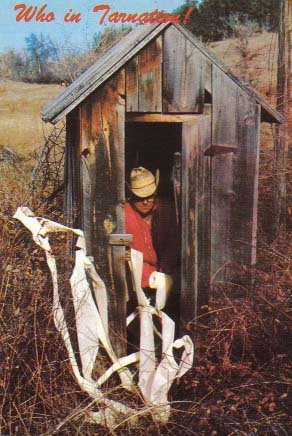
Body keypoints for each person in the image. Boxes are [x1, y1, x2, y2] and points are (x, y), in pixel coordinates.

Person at [125, 167, 180, 297]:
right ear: (131, 197)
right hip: (139, 283)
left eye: (149, 197)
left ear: (155, 194)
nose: (145, 202)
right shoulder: (123, 214)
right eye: (139, 198)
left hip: (172, 275)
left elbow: (179, 245)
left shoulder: (169, 210)